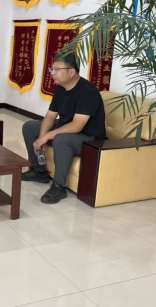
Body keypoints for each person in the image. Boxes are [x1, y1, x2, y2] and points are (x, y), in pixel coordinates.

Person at [21, 53, 107, 204]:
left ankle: (59, 187)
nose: (52, 73)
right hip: (68, 132)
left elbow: (77, 126)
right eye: (52, 69)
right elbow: (50, 117)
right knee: (30, 127)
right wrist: (41, 137)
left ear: (71, 72)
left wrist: (47, 136)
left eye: (57, 70)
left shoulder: (88, 92)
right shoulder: (61, 89)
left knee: (61, 139)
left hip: (90, 139)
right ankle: (39, 171)